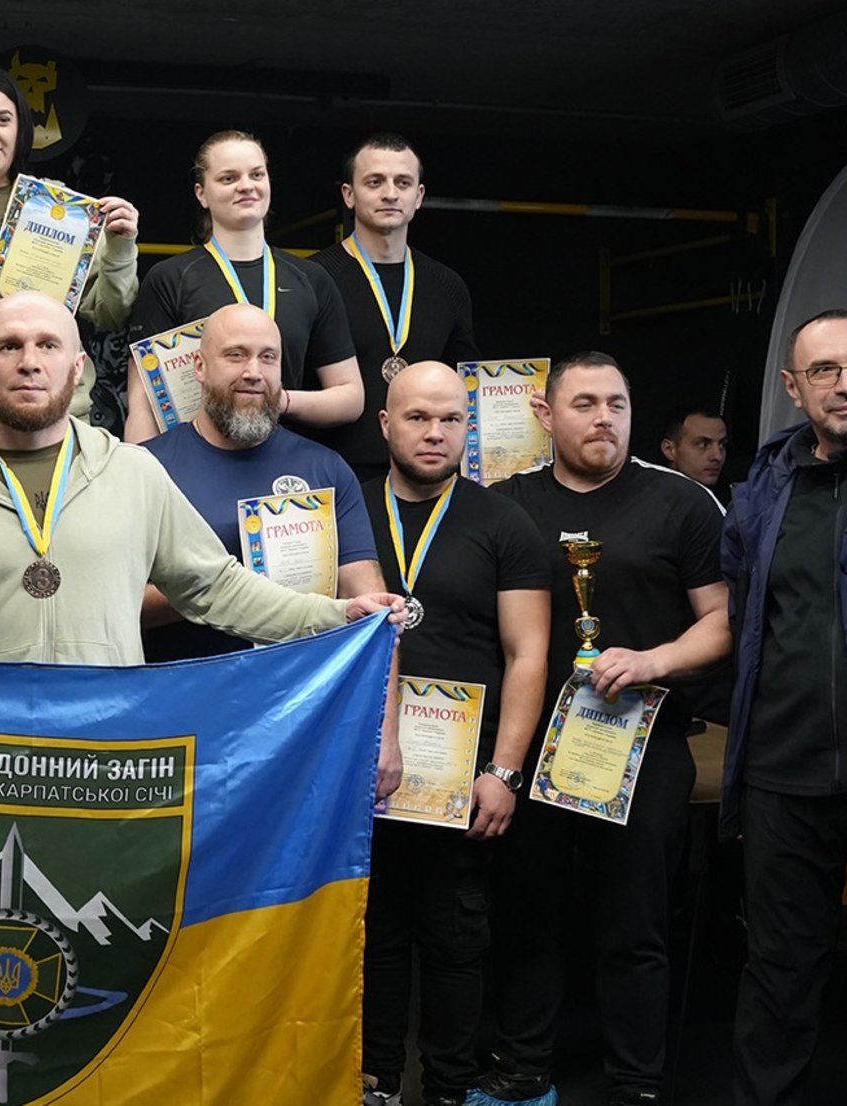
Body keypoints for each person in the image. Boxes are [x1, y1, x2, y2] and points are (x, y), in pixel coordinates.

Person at [0, 290, 406, 673]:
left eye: (48, 346)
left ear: (78, 368)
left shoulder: (133, 473)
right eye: (9, 346)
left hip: (107, 758)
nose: (29, 363)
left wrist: (335, 614)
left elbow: (217, 588)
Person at [476, 351, 731, 1106]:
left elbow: (724, 620)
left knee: (635, 924)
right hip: (531, 747)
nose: (603, 419)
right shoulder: (503, 505)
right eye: (584, 404)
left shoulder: (681, 502)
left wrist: (654, 659)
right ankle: (522, 1069)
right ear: (545, 414)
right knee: (527, 916)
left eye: (616, 404)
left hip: (642, 744)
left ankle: (635, 1083)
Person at [722, 309, 847, 1105]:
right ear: (794, 388)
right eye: (825, 371)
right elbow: (742, 617)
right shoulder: (765, 487)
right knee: (778, 979)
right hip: (783, 773)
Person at [357, 362, 549, 1106]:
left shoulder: (503, 522)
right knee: (371, 933)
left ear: (468, 427)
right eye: (417, 418)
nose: (434, 433)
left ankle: (447, 1089)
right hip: (362, 765)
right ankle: (373, 1082)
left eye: (449, 419)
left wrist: (505, 772)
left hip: (462, 777)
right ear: (386, 424)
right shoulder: (349, 510)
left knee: (455, 938)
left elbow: (527, 654)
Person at [139, 302, 383, 662]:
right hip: (184, 690)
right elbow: (115, 603)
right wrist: (234, 578)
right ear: (200, 367)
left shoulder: (326, 470)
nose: (253, 372)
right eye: (236, 355)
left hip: (299, 690)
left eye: (268, 357)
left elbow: (373, 615)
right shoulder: (145, 468)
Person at [0, 66, 139, 441]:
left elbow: (111, 314)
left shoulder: (58, 206)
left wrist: (120, 246)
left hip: (59, 413)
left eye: (3, 120)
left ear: (21, 129)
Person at [123, 129, 360, 443]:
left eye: (257, 174)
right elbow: (143, 402)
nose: (246, 185)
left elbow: (350, 397)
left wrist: (275, 400)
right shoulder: (171, 278)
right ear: (201, 194)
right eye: (228, 178)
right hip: (199, 456)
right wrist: (139, 469)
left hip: (284, 459)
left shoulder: (310, 278)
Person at [311, 133, 479, 481]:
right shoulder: (311, 279)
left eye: (403, 183)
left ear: (418, 196)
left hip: (426, 479)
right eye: (375, 182)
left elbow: (468, 385)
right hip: (330, 475)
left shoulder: (448, 286)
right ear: (349, 195)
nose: (390, 193)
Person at [658, 403, 728, 492]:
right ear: (669, 449)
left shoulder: (735, 495)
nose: (718, 456)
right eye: (703, 444)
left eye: (722, 445)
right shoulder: (649, 496)